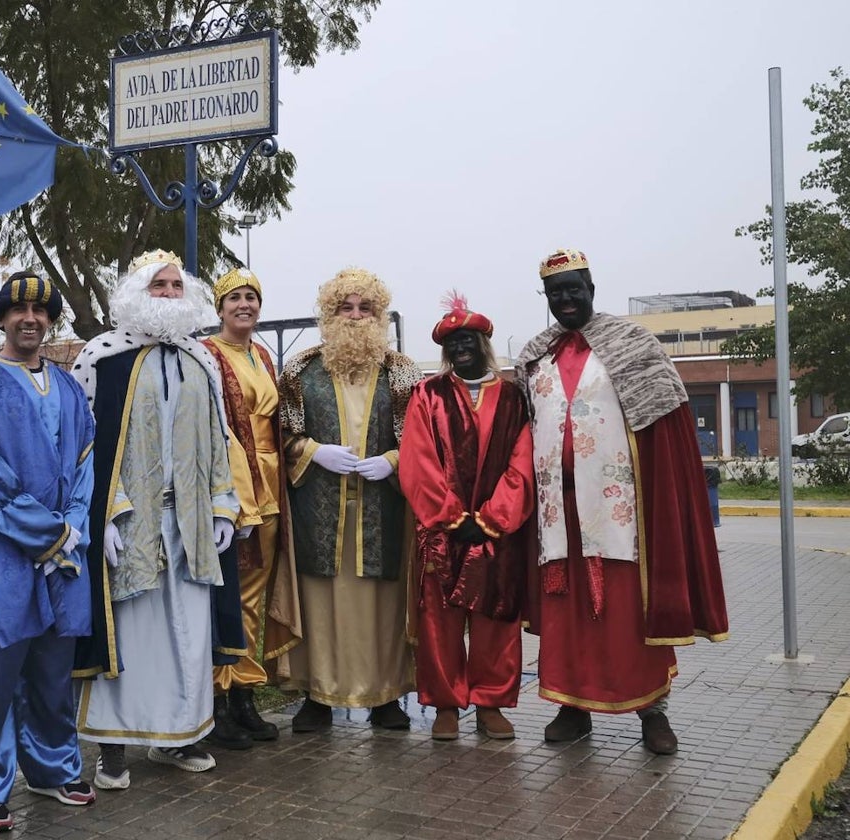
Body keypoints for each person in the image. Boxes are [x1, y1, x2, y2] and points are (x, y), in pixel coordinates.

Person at [515, 248, 730, 755]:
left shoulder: (633, 346)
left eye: (574, 288)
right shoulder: (534, 356)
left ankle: (653, 713)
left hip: (622, 512)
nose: (565, 299)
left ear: (592, 288)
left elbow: (663, 431)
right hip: (557, 514)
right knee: (567, 615)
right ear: (546, 298)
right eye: (555, 292)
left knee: (631, 615)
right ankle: (573, 708)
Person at [70, 249, 239, 789]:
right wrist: (107, 513)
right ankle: (114, 750)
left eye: (174, 285)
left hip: (188, 523)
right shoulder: (102, 356)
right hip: (130, 523)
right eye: (158, 285)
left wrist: (222, 504)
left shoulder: (202, 359)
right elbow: (84, 443)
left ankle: (179, 738)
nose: (168, 293)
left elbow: (218, 437)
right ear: (136, 293)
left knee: (188, 634)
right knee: (130, 635)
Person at [0, 270, 97, 831]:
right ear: (3, 318)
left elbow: (85, 464)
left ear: (50, 319)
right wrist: (49, 535)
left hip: (65, 554)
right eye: (18, 311)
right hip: (1, 556)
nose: (30, 320)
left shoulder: (69, 387)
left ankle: (53, 768)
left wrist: (73, 528)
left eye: (40, 312)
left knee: (54, 671)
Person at [275, 268, 422, 732]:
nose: (356, 316)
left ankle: (386, 697)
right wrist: (315, 453)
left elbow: (424, 439)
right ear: (329, 313)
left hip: (384, 509)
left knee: (382, 604)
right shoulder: (299, 370)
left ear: (379, 315)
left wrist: (394, 462)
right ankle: (317, 695)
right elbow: (281, 436)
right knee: (321, 602)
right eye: (346, 307)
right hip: (320, 512)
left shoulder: (402, 372)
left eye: (366, 308)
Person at [398, 294, 536, 741]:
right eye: (453, 341)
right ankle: (445, 704)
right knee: (439, 620)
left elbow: (523, 462)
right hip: (442, 532)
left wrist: (494, 517)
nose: (461, 348)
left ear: (483, 342)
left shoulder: (513, 398)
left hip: (499, 532)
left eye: (469, 339)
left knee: (497, 617)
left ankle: (491, 702)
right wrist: (452, 517)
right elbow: (417, 461)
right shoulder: (428, 394)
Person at [201, 268, 303, 749]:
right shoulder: (206, 354)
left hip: (271, 482)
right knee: (229, 591)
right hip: (233, 483)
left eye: (252, 298)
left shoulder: (262, 355)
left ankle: (245, 695)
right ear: (220, 308)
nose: (245, 305)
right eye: (235, 298)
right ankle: (217, 701)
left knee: (256, 595)